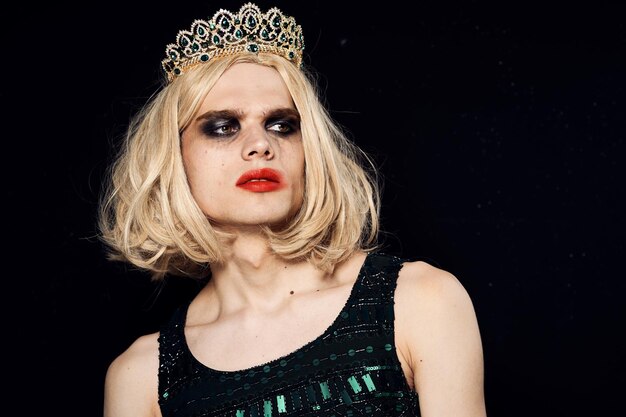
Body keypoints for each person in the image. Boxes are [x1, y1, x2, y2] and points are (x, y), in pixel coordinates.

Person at [99, 3, 487, 416]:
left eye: (282, 124)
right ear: (175, 156)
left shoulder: (420, 302)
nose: (261, 144)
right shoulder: (142, 377)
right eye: (222, 126)